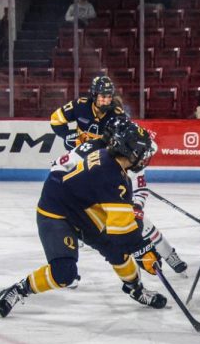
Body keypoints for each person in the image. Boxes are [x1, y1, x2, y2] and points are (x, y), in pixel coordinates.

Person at [0, 121, 167, 318]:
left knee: (117, 251)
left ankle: (135, 289)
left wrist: (140, 247)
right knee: (64, 273)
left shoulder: (112, 164)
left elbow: (122, 232)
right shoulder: (112, 176)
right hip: (56, 211)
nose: (145, 158)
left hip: (83, 211)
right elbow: (121, 233)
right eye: (142, 153)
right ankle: (18, 290)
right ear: (130, 152)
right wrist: (143, 249)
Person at [52, 113, 189, 277]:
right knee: (91, 234)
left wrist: (137, 206)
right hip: (90, 202)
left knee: (142, 225)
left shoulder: (133, 151)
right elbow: (58, 166)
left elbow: (140, 187)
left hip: (116, 198)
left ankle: (168, 256)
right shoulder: (91, 149)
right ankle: (68, 269)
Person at [49, 74, 126, 150]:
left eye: (109, 96)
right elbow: (55, 119)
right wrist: (67, 135)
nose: (106, 101)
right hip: (79, 152)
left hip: (104, 156)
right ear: (95, 95)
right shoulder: (80, 105)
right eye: (103, 96)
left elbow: (125, 137)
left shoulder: (118, 114)